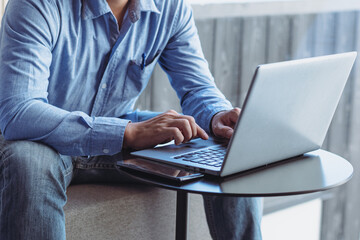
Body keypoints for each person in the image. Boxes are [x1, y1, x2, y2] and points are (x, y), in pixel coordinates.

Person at [0, 0, 263, 239]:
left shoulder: (170, 8)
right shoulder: (35, 5)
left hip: (117, 131)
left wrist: (217, 116)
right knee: (29, 160)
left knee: (228, 146)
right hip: (43, 141)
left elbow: (197, 89)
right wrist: (126, 133)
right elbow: (19, 111)